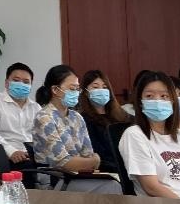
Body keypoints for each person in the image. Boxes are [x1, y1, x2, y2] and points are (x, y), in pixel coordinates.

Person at [117, 71, 180, 200]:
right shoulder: (134, 134)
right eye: (149, 96)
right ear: (140, 102)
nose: (157, 101)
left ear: (173, 101)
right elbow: (151, 187)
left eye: (164, 96)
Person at [32, 65, 118, 193]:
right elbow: (64, 164)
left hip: (79, 176)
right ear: (55, 90)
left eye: (78, 89)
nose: (76, 93)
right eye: (72, 89)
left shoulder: (77, 117)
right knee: (112, 187)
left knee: (117, 182)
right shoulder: (44, 118)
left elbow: (88, 154)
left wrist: (91, 161)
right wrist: (94, 160)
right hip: (56, 179)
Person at [0, 63, 40, 169]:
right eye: (16, 80)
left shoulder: (35, 107)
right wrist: (10, 151)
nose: (21, 84)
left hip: (31, 156)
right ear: (7, 83)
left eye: (26, 82)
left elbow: (43, 134)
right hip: (3, 157)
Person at [76, 69, 131, 172]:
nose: (101, 90)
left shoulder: (123, 116)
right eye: (95, 87)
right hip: (108, 170)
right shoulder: (83, 119)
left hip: (131, 166)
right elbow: (97, 153)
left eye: (105, 87)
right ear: (86, 92)